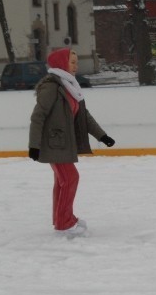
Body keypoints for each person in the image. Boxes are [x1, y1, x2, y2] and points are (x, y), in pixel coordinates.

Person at [28, 47, 114, 236]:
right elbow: (38, 116)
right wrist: (33, 145)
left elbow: (84, 116)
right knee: (70, 178)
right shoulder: (52, 86)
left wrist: (102, 136)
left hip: (64, 143)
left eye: (76, 62)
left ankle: (61, 219)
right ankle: (65, 223)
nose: (76, 65)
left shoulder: (70, 86)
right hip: (54, 143)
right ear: (61, 63)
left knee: (62, 181)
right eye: (72, 62)